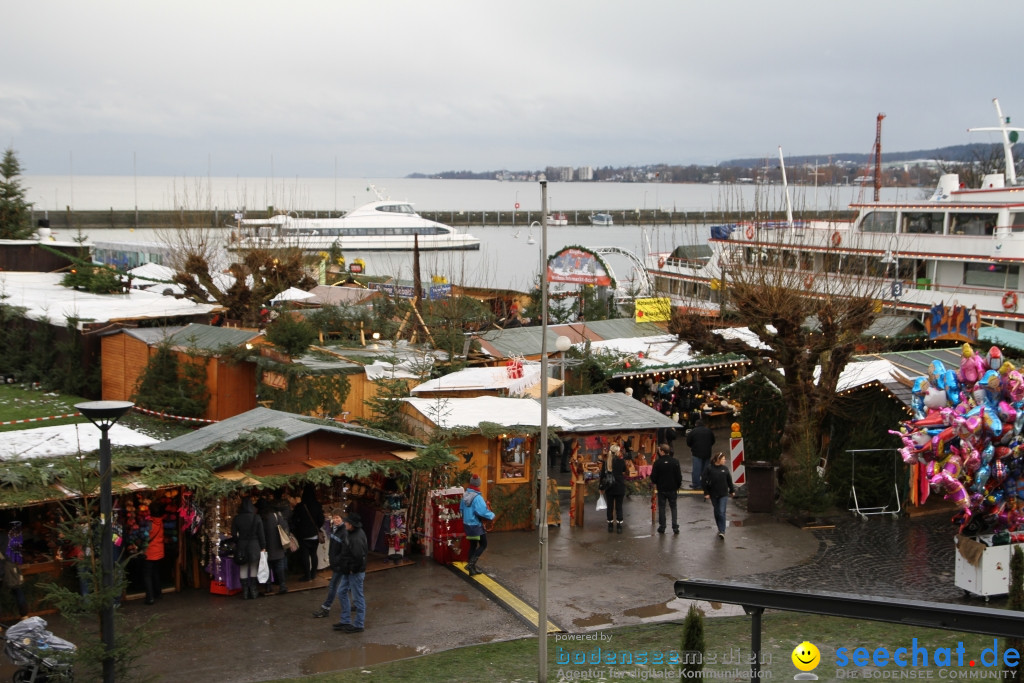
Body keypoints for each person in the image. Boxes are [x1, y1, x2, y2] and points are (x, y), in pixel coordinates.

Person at [332, 512, 368, 633]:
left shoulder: (356, 537)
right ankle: (345, 620)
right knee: (342, 592)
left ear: (351, 525)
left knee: (357, 597)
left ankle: (358, 624)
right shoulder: (352, 533)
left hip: (354, 571)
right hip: (349, 570)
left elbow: (359, 557)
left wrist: (353, 569)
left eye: (347, 522)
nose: (345, 523)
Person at [313, 509, 348, 618]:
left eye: (338, 517)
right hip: (337, 563)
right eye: (334, 517)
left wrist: (336, 560)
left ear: (342, 518)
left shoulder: (343, 532)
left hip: (340, 565)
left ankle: (326, 608)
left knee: (334, 585)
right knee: (347, 586)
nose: (335, 519)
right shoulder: (335, 530)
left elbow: (344, 550)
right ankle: (355, 605)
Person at [460, 474, 496, 575]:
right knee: (484, 544)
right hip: (476, 525)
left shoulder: (465, 495)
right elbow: (481, 512)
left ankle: (472, 569)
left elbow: (461, 509)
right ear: (478, 484)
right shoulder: (477, 497)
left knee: (473, 545)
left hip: (467, 524)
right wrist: (492, 515)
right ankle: (471, 565)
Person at [231, 497, 266, 599]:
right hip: (255, 545)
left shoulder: (237, 518)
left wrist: (239, 542)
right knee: (254, 567)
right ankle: (254, 590)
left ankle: (245, 592)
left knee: (243, 567)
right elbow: (261, 534)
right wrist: (263, 546)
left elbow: (233, 535)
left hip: (242, 545)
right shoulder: (257, 517)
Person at [293, 484, 324, 582]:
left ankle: (307, 575)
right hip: (315, 534)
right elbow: (321, 519)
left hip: (303, 534)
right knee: (314, 554)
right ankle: (313, 573)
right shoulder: (317, 504)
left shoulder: (300, 506)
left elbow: (295, 520)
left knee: (305, 555)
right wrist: (317, 527)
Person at [650, 443, 683, 534]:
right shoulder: (675, 461)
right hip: (672, 488)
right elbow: (679, 476)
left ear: (662, 451)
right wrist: (677, 485)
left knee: (662, 507)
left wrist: (657, 483)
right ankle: (675, 526)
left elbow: (653, 477)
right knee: (673, 507)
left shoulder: (658, 463)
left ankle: (662, 526)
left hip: (662, 488)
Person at [702, 451, 736, 539]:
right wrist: (706, 493)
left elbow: (729, 480)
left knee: (722, 512)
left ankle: (722, 530)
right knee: (717, 512)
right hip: (713, 494)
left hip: (723, 494)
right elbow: (704, 481)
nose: (725, 461)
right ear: (718, 459)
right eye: (723, 459)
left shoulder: (725, 469)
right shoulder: (709, 469)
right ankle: (719, 526)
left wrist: (732, 491)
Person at [258, 497, 288, 595]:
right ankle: (282, 586)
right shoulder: (276, 515)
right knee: (279, 566)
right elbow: (284, 526)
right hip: (278, 544)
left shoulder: (260, 517)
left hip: (266, 545)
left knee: (267, 567)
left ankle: (268, 586)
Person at [143, 502, 166, 605]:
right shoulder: (160, 522)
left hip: (150, 552)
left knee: (147, 575)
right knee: (156, 572)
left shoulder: (149, 523)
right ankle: (158, 593)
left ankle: (150, 597)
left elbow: (146, 537)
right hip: (159, 551)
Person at [602, 444, 627, 534]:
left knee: (610, 506)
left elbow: (602, 475)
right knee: (619, 507)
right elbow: (624, 470)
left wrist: (601, 487)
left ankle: (610, 525)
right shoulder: (621, 461)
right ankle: (619, 526)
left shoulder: (606, 462)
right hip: (619, 486)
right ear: (617, 452)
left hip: (609, 487)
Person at [686, 419, 716, 490]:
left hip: (696, 453)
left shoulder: (693, 431)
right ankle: (705, 483)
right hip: (707, 452)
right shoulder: (709, 431)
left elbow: (688, 442)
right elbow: (713, 441)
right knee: (706, 469)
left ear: (696, 424)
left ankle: (696, 484)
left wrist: (693, 447)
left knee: (696, 469)